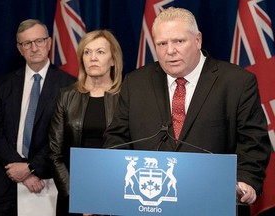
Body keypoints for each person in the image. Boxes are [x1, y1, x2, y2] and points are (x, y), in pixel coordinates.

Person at [103, 7, 271, 215]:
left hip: (212, 203)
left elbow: (253, 141)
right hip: (149, 205)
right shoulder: (135, 82)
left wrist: (246, 180)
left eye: (179, 41)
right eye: (162, 44)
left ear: (198, 40)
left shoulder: (237, 82)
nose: (170, 51)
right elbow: (117, 138)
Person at [0, 19, 76, 215]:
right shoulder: (3, 84)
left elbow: (64, 138)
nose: (34, 48)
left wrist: (31, 168)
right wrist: (22, 173)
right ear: (19, 48)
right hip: (5, 182)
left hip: (47, 181)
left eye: (39, 41)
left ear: (49, 43)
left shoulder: (70, 86)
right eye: (27, 43)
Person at [49, 29, 123, 216]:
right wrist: (79, 196)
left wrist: (104, 196)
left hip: (115, 195)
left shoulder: (126, 97)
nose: (92, 58)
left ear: (113, 60)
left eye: (100, 52)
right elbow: (55, 154)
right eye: (87, 52)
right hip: (73, 196)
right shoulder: (66, 96)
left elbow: (133, 150)